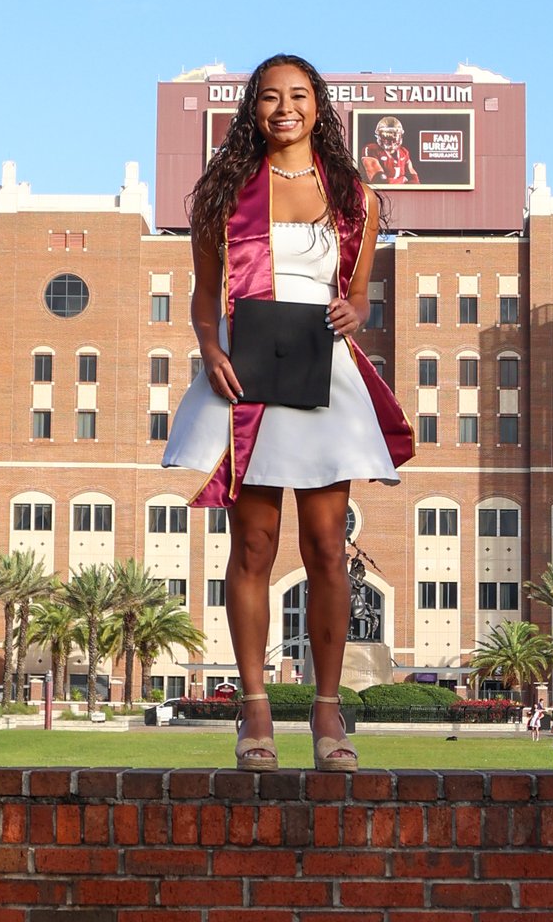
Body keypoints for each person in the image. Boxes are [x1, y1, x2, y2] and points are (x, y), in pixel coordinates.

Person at [166, 52, 415, 771]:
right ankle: (254, 710)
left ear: (318, 105)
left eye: (298, 95)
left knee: (328, 545)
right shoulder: (225, 193)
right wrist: (208, 346)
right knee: (252, 545)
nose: (285, 108)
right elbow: (205, 293)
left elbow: (361, 291)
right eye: (270, 97)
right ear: (252, 109)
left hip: (320, 369)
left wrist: (355, 308)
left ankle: (328, 708)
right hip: (247, 372)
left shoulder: (354, 196)